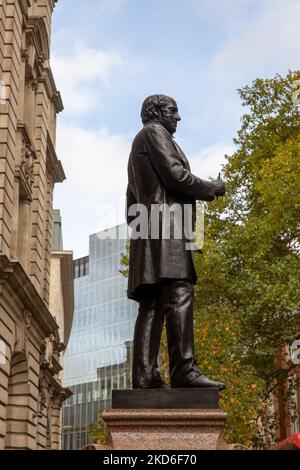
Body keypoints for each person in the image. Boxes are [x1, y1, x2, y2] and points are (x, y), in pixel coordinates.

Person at [126, 94, 226, 390]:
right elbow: (176, 175)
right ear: (157, 112)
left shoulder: (137, 147)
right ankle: (184, 370)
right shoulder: (154, 133)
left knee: (152, 303)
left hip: (148, 230)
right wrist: (212, 188)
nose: (178, 117)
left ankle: (144, 377)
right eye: (173, 111)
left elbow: (130, 203)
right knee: (179, 292)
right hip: (167, 229)